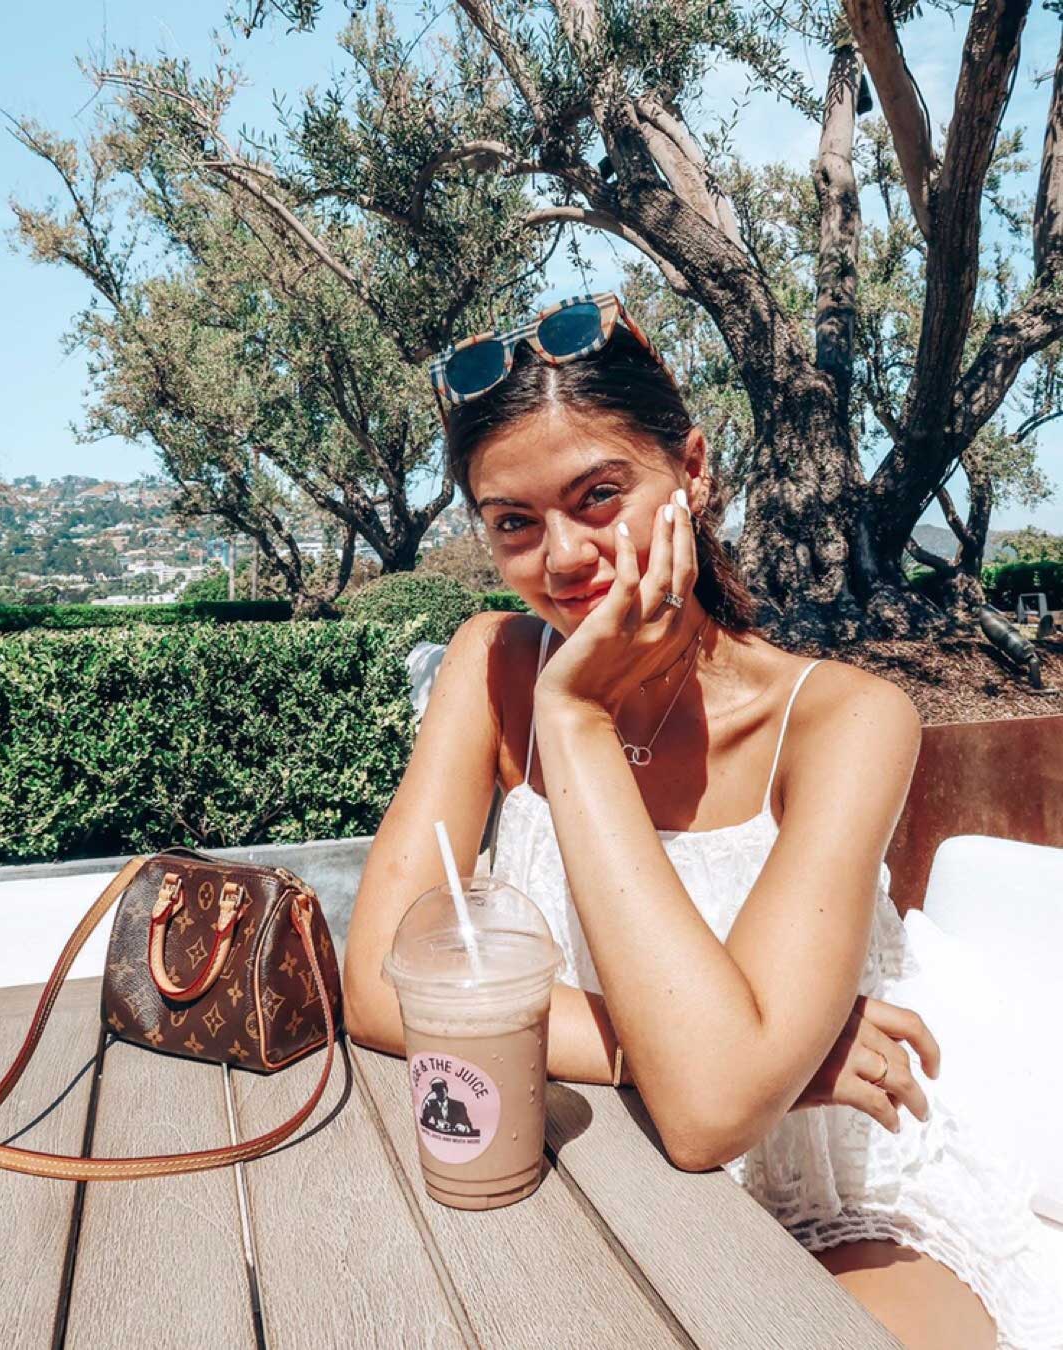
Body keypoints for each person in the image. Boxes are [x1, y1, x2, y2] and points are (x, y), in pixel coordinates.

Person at [343, 293, 1063, 1349]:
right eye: (515, 522)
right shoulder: (490, 667)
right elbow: (377, 986)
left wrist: (576, 720)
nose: (563, 556)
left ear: (691, 470)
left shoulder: (844, 721)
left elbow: (712, 1116)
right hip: (598, 1158)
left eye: (599, 496)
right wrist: (731, 1051)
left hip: (839, 1187)